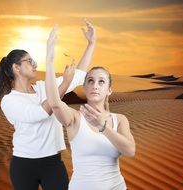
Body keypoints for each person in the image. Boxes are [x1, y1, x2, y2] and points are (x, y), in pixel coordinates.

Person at [0, 20, 96, 190]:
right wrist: (52, 62)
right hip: (23, 166)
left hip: (53, 163)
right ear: (16, 68)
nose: (35, 64)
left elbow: (78, 76)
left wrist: (91, 43)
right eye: (29, 61)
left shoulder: (43, 87)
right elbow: (41, 112)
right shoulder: (9, 100)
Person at [45, 27, 135, 190]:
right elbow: (55, 103)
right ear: (84, 87)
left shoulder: (119, 120)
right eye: (90, 81)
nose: (95, 85)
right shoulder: (74, 118)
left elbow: (130, 151)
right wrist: (50, 60)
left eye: (101, 82)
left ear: (109, 89)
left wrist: (103, 127)